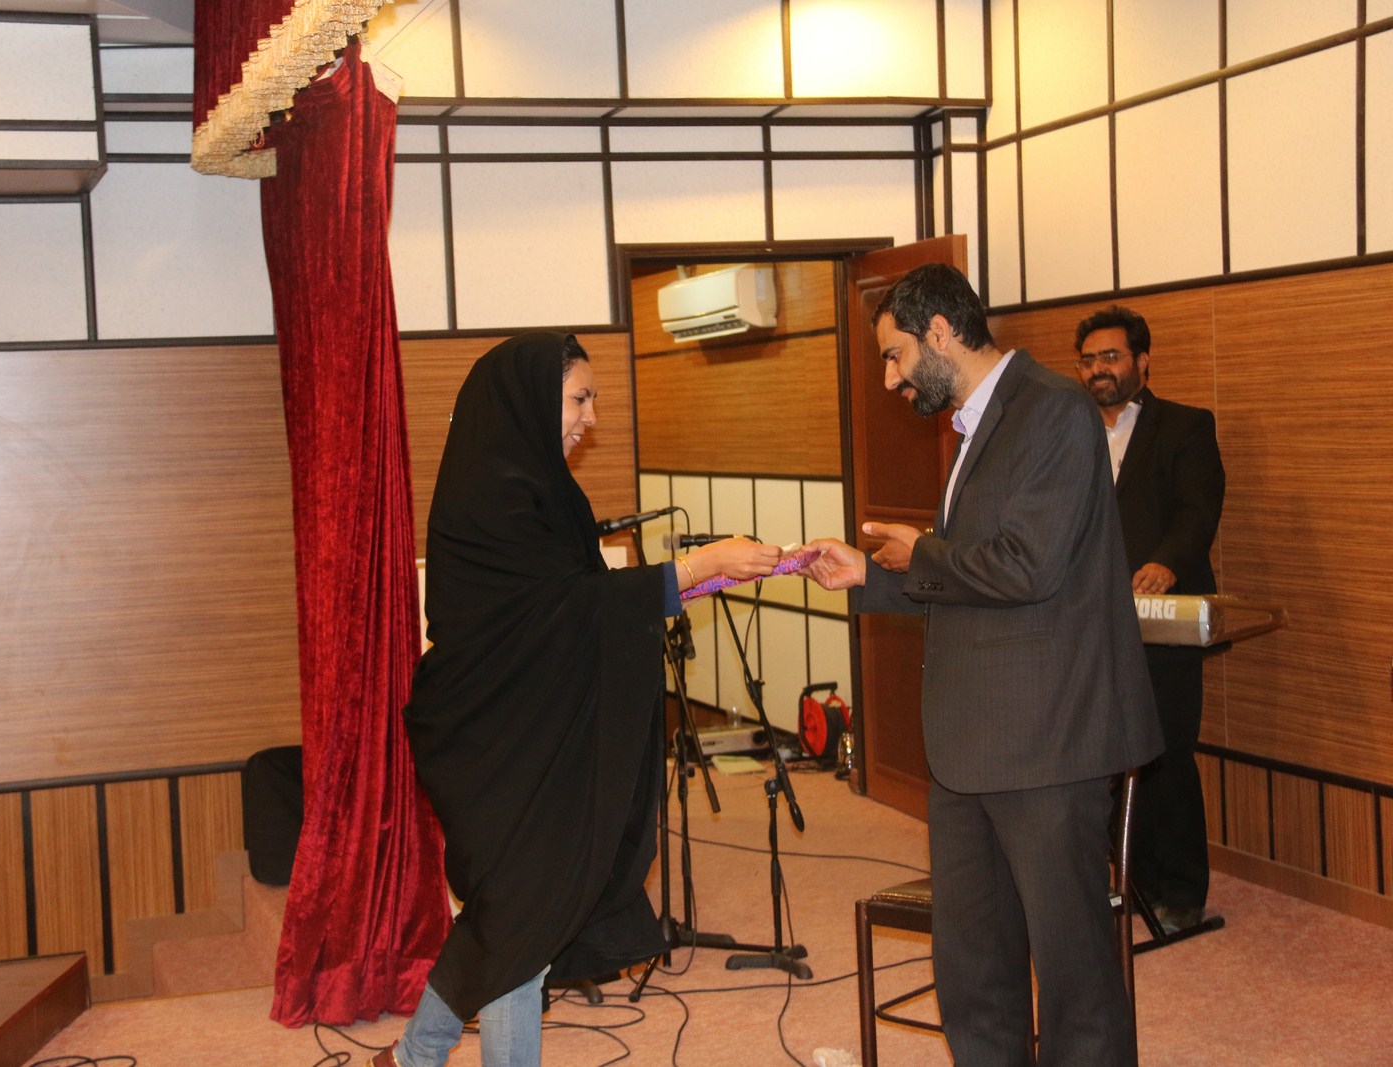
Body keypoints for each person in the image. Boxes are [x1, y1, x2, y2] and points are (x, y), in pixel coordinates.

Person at [374, 331, 781, 1067]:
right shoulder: (494, 495)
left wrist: (707, 576)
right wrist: (695, 566)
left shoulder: (548, 489)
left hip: (544, 734)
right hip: (496, 742)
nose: (590, 417)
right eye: (579, 398)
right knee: (520, 924)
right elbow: (558, 612)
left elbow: (583, 604)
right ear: (531, 400)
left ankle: (414, 1054)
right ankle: (418, 1054)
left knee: (508, 916)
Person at [799, 264, 1162, 1065]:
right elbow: (970, 581)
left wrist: (922, 551)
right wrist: (869, 576)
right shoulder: (974, 423)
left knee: (1073, 979)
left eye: (894, 355)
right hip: (971, 748)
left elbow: (1027, 566)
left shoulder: (1054, 408)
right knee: (973, 973)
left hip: (1048, 742)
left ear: (939, 332)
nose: (890, 379)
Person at [1074, 305, 1225, 934]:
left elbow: (1199, 509)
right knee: (1099, 757)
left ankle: (1181, 894)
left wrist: (1167, 561)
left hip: (1161, 621)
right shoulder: (1069, 429)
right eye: (1087, 361)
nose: (1098, 370)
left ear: (1142, 361)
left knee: (1165, 757)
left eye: (1110, 357)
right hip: (1086, 622)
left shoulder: (1185, 426)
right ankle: (1127, 883)